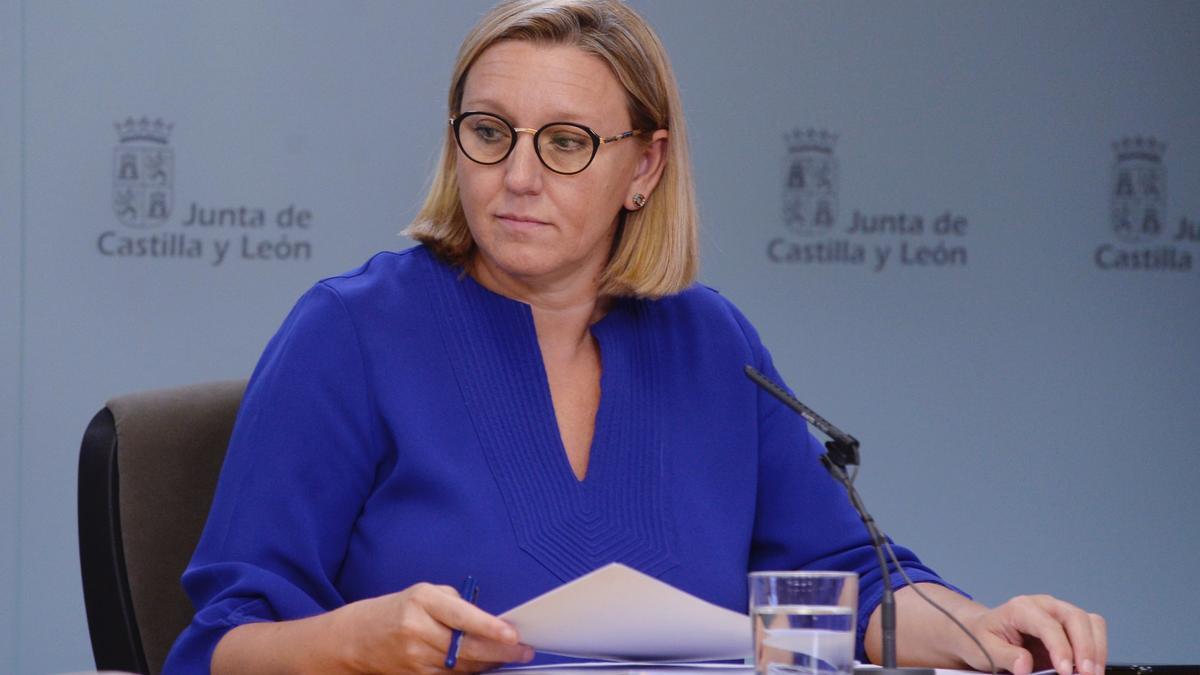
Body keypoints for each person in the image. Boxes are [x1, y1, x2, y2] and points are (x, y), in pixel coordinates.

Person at [163, 2, 1107, 674]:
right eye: (489, 132)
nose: (518, 175)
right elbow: (219, 645)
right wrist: (354, 645)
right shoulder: (353, 330)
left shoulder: (710, 343)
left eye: (566, 141)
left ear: (644, 167)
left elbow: (849, 583)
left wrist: (993, 630)